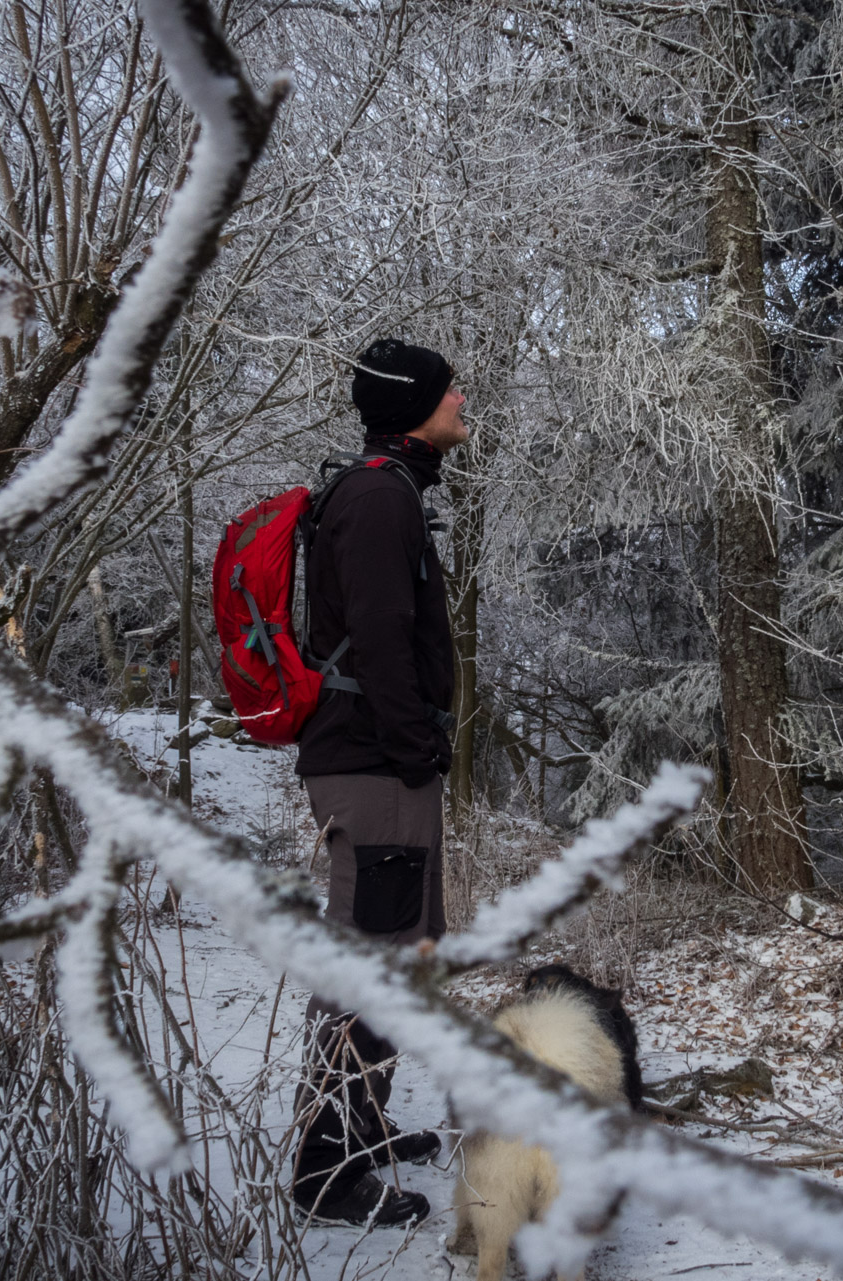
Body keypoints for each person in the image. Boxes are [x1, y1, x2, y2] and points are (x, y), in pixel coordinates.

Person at [289, 338, 467, 1226]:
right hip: (372, 761)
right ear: (411, 409)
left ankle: (361, 1124)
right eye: (447, 390)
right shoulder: (375, 500)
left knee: (400, 947)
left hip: (378, 759)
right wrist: (416, 750)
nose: (462, 397)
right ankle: (326, 1167)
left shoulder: (386, 491)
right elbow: (384, 639)